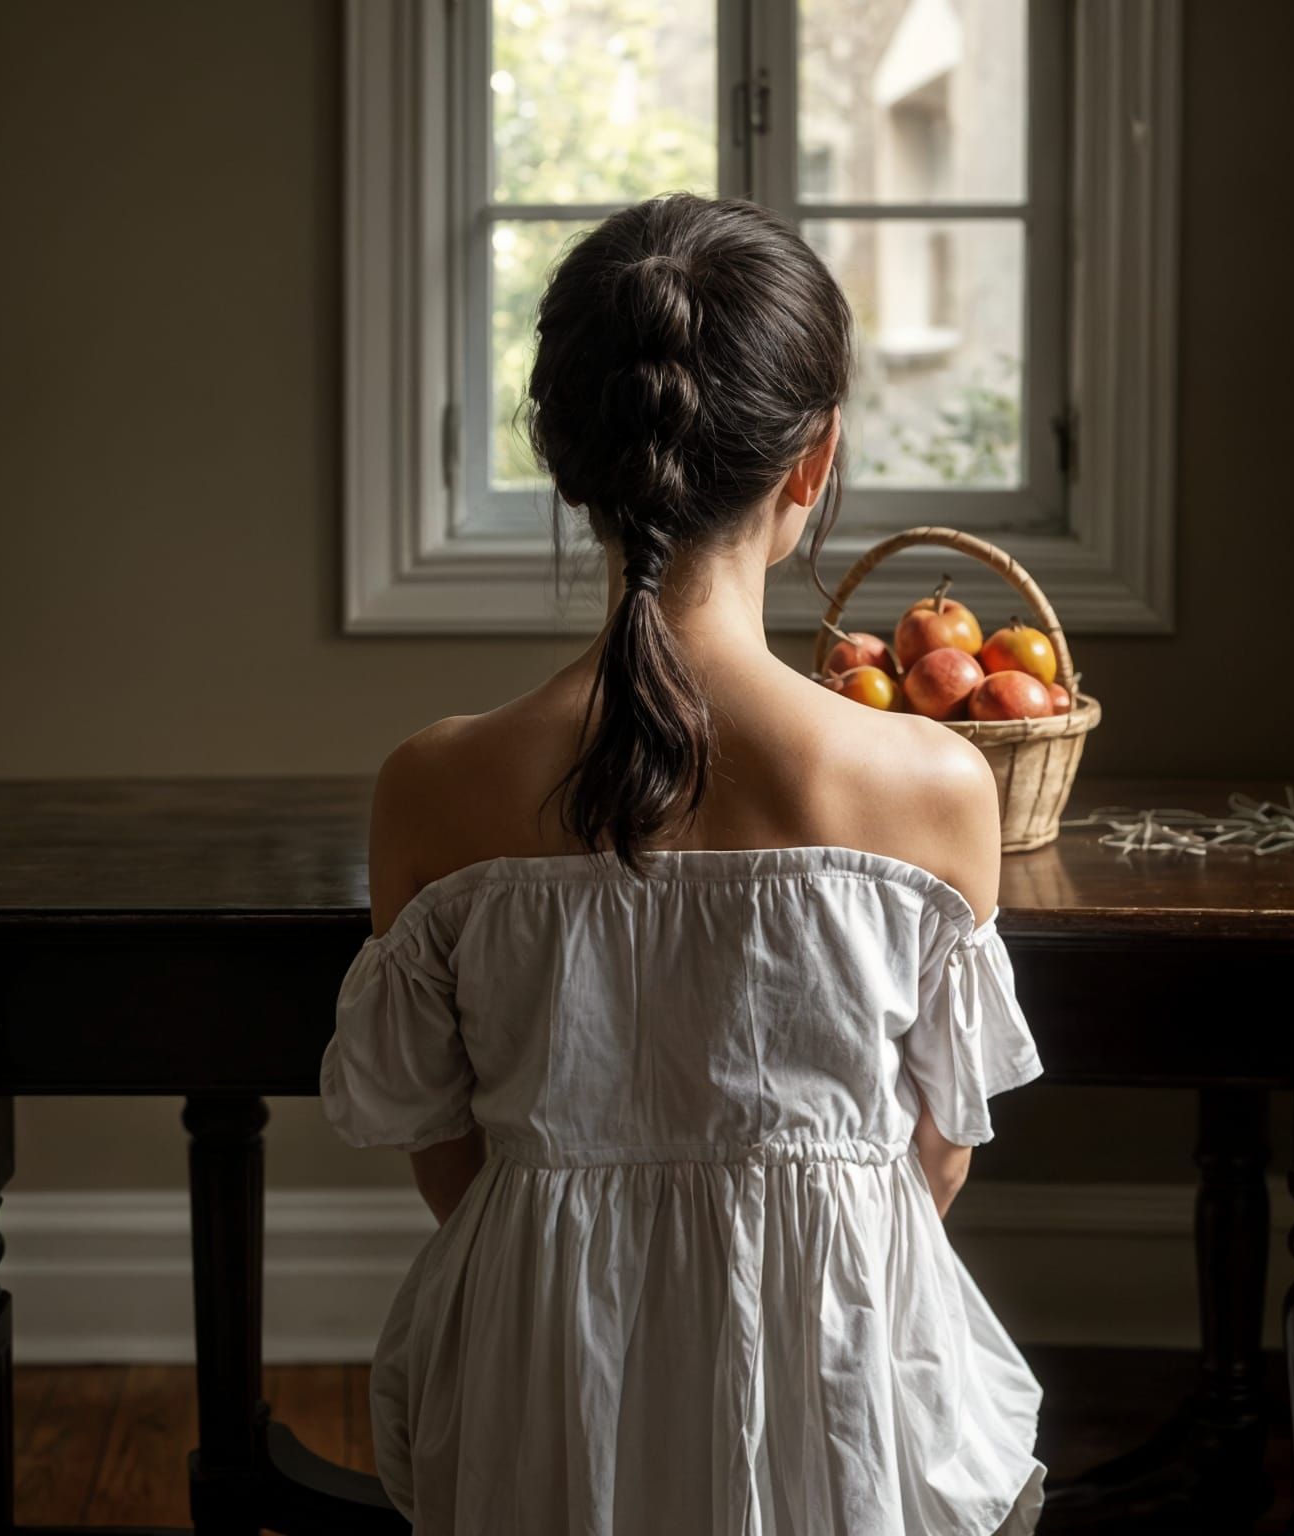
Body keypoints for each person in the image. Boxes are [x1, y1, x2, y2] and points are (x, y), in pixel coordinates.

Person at [320, 191, 1046, 1535]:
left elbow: (442, 1148)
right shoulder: (936, 788)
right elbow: (934, 1164)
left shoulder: (434, 786)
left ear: (562, 455)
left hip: (545, 1368)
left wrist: (604, 1298)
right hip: (840, 1382)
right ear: (813, 462)